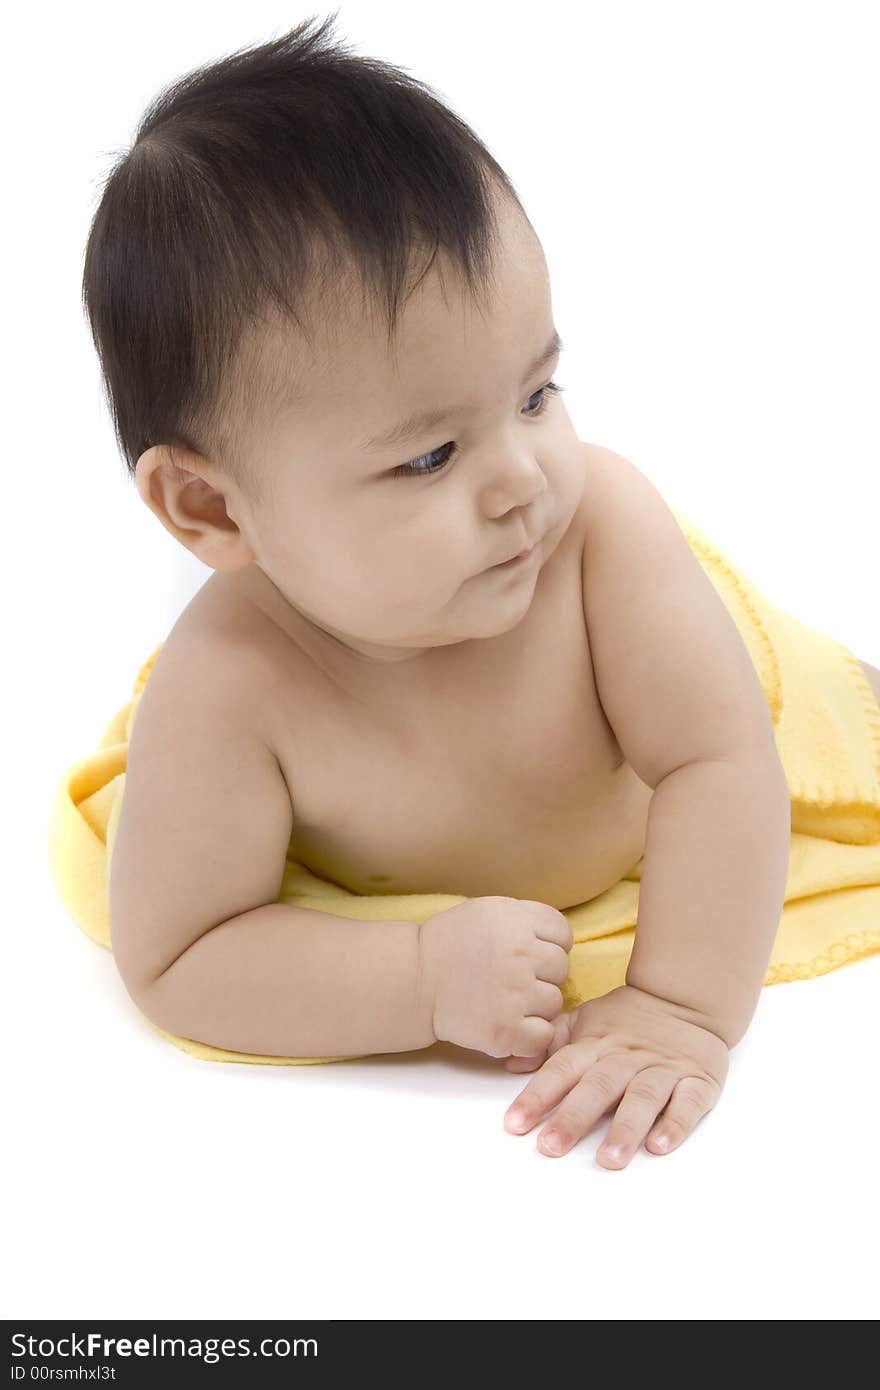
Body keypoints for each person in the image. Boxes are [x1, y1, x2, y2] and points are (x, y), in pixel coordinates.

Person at [79, 15, 880, 1169]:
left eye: (537, 392)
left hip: (713, 690)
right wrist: (416, 979)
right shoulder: (231, 689)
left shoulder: (595, 532)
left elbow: (724, 761)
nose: (520, 482)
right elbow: (178, 954)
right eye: (427, 458)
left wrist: (679, 1007)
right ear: (210, 510)